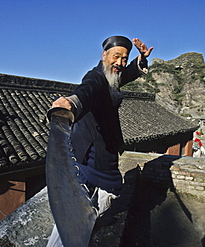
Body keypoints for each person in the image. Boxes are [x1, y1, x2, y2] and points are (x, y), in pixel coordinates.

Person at [47, 35, 153, 246]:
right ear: (104, 54)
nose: (120, 63)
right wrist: (71, 104)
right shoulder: (96, 77)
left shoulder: (112, 75)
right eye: (116, 57)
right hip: (92, 154)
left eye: (124, 58)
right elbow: (87, 90)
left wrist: (140, 59)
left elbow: (128, 73)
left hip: (103, 151)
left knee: (98, 196)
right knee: (77, 207)